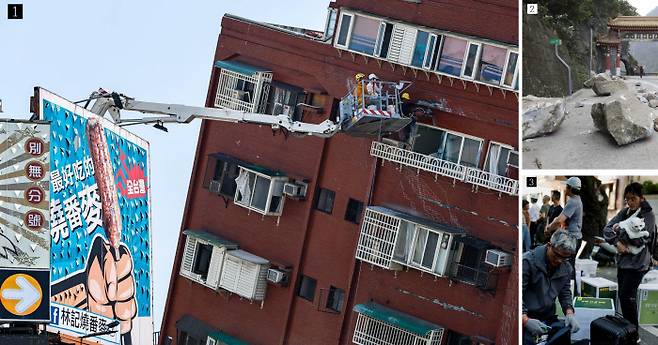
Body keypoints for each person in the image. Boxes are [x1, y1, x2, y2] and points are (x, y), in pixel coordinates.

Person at [602, 182, 655, 331]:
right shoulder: (624, 212)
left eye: (633, 199)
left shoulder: (648, 215)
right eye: (627, 199)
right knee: (624, 298)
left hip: (638, 264)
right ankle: (627, 332)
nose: (630, 202)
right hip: (623, 262)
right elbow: (606, 230)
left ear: (641, 198)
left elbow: (641, 240)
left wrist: (620, 232)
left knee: (627, 298)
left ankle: (633, 334)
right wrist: (618, 242)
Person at [523, 230, 580, 345]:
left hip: (547, 316)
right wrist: (525, 320)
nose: (559, 261)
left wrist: (569, 313)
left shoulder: (566, 267)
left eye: (565, 258)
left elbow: (565, 293)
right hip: (526, 316)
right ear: (549, 245)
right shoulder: (527, 262)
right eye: (557, 255)